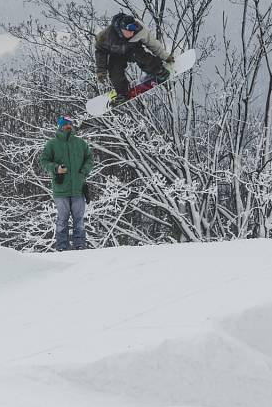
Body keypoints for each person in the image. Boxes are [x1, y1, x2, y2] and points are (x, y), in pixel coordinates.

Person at [39, 115, 94, 251]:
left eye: (69, 124)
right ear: (60, 126)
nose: (68, 126)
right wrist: (56, 168)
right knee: (62, 220)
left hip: (78, 189)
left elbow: (89, 158)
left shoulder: (80, 143)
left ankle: (79, 245)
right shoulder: (52, 144)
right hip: (60, 189)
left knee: (79, 220)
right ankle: (61, 246)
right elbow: (44, 161)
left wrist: (84, 171)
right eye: (65, 124)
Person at [95, 13, 174, 102]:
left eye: (133, 31)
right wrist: (101, 71)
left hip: (133, 49)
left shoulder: (140, 30)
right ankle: (122, 92)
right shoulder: (106, 36)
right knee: (114, 69)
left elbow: (153, 44)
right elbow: (100, 53)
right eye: (130, 31)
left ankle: (158, 70)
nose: (132, 33)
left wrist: (165, 56)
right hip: (116, 54)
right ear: (121, 29)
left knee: (141, 56)